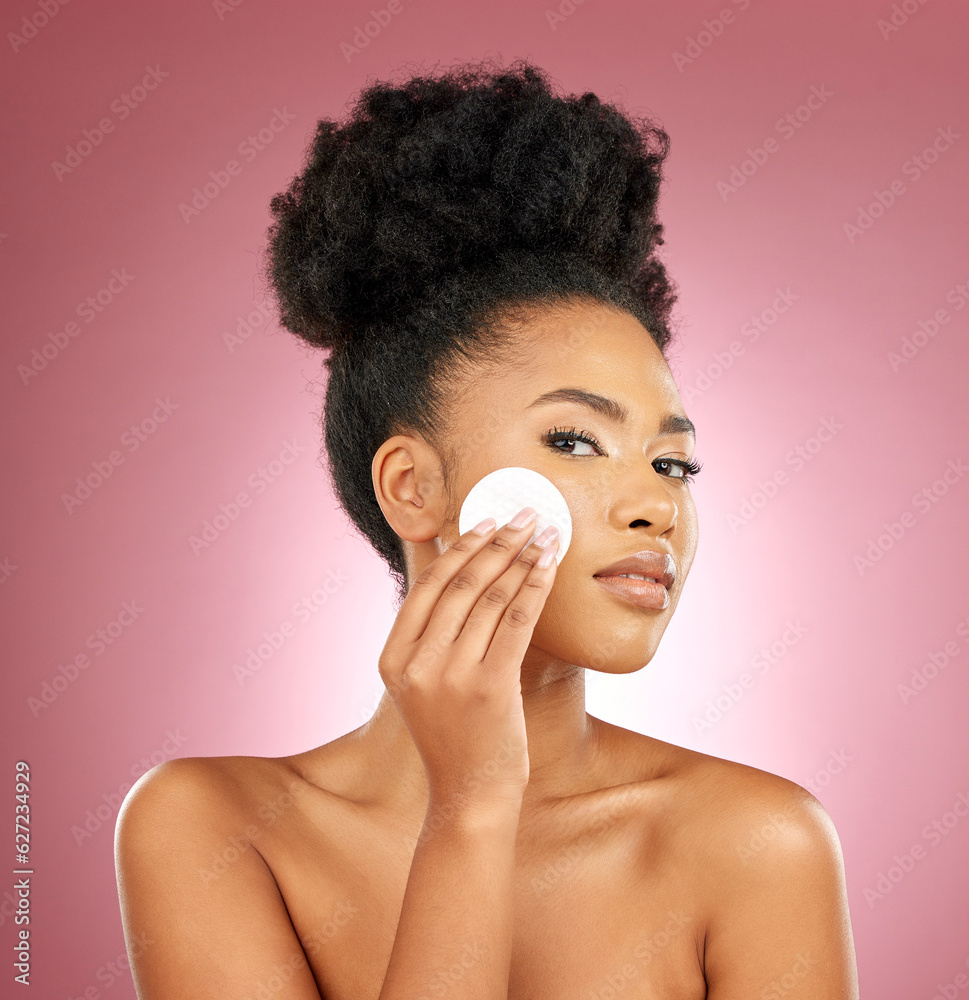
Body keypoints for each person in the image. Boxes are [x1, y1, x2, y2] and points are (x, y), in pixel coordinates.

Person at [114, 58, 860, 999]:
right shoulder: (213, 829)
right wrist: (469, 809)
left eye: (672, 463)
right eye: (574, 440)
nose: (655, 505)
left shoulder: (758, 842)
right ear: (413, 487)